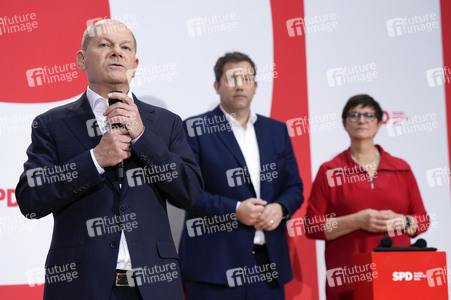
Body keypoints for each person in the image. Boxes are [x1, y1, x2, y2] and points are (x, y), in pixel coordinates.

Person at [15, 19, 203, 300]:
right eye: (104, 45)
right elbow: (30, 198)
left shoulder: (165, 123)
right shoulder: (51, 124)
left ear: (135, 64)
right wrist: (94, 159)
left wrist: (142, 136)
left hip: (153, 287)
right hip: (80, 286)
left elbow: (190, 192)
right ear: (81, 60)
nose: (116, 52)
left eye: (124, 47)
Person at [178, 51, 304, 300]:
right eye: (231, 78)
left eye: (246, 79)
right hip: (214, 267)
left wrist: (280, 208)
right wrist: (235, 209)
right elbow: (185, 192)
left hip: (268, 267)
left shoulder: (276, 131)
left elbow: (294, 187)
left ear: (255, 86)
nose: (239, 85)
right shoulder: (194, 130)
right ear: (217, 86)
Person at [305, 94, 430, 300]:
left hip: (398, 277)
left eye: (369, 115)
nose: (361, 120)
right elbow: (312, 225)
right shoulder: (330, 171)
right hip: (348, 282)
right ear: (344, 124)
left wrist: (403, 220)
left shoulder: (401, 168)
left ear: (380, 123)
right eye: (354, 115)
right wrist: (356, 221)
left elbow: (423, 220)